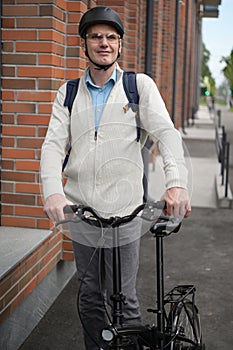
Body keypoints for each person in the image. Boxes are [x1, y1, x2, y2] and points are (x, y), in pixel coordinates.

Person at [40, 6, 191, 349]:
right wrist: (53, 192)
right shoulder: (68, 93)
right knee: (91, 296)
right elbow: (51, 147)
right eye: (96, 37)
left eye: (111, 37)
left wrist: (177, 183)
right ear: (85, 44)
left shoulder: (138, 87)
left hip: (125, 211)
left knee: (125, 298)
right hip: (82, 214)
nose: (103, 43)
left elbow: (167, 135)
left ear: (120, 45)